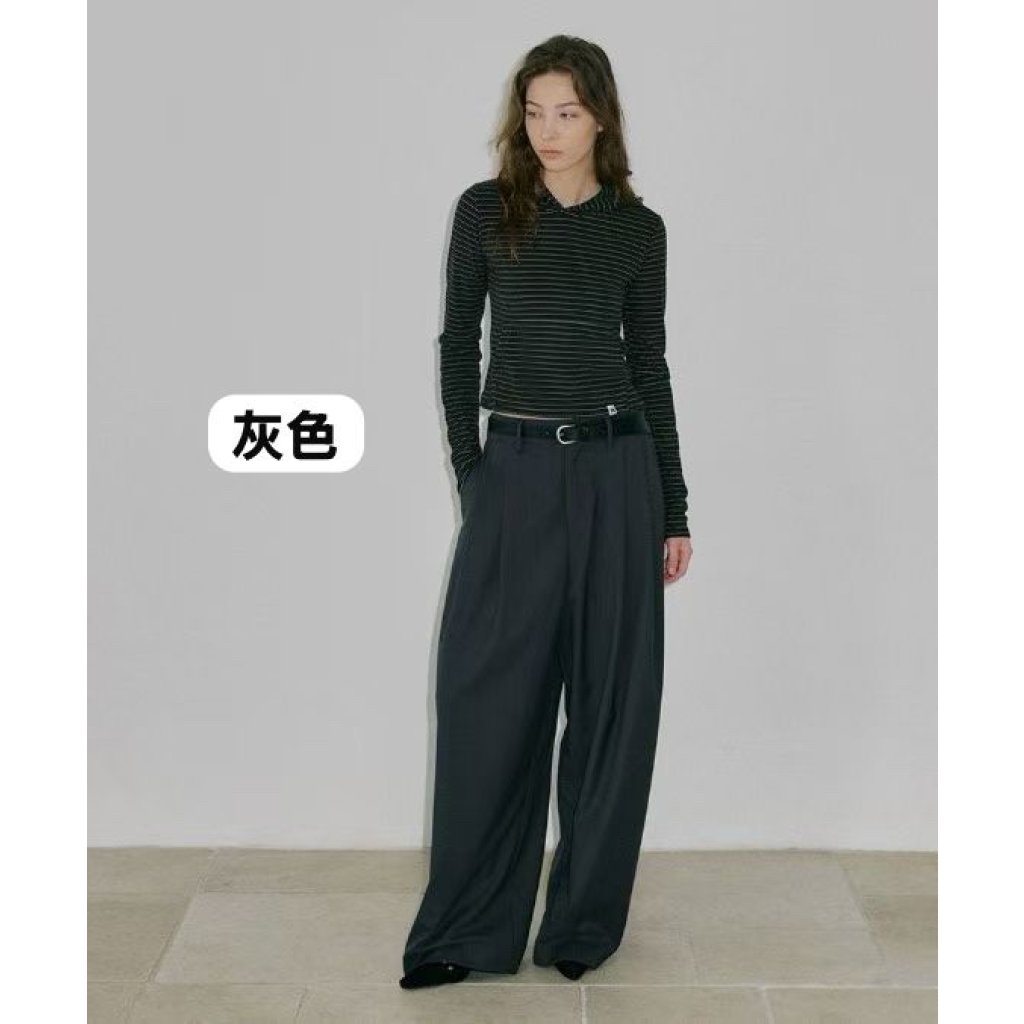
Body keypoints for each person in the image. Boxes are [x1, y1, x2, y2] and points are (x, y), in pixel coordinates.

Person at [399, 34, 693, 991]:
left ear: (600, 117)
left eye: (567, 112)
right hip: (516, 472)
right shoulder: (486, 212)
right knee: (488, 700)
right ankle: (465, 930)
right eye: (534, 112)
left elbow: (649, 366)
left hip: (618, 472)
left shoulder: (638, 231)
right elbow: (458, 345)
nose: (548, 130)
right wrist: (472, 474)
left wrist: (673, 504)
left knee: (612, 707)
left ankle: (581, 924)